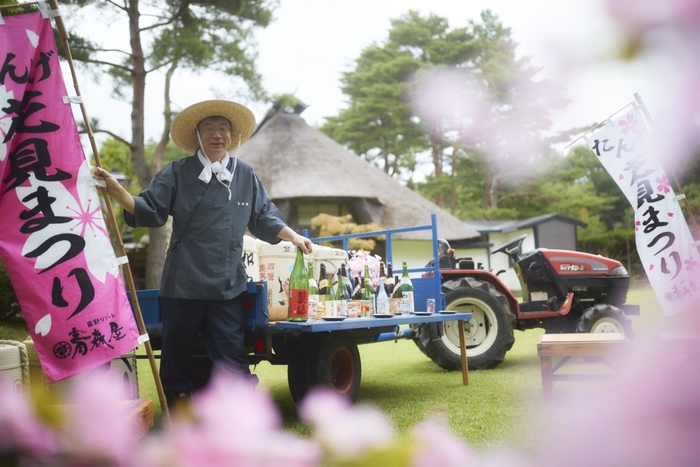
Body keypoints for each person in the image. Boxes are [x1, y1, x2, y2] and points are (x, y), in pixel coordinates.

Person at [94, 100, 313, 406]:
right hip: (183, 282)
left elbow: (264, 216)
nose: (217, 135)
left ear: (232, 136)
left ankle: (240, 414)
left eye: (223, 128)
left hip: (227, 284)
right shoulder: (177, 172)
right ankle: (179, 412)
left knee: (231, 354)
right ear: (197, 135)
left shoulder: (245, 173)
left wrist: (292, 237)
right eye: (209, 128)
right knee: (177, 352)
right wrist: (118, 192)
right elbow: (150, 210)